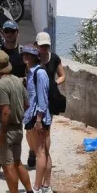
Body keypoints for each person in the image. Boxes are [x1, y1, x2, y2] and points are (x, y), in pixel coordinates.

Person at [0, 50, 38, 193]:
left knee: (8, 165)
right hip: (18, 128)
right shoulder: (18, 81)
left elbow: (5, 112)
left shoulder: (1, 85)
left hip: (7, 130)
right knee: (17, 163)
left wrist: (1, 134)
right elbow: (26, 103)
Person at [0, 21, 25, 176]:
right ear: (3, 32)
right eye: (6, 31)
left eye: (12, 31)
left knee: (14, 130)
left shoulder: (23, 53)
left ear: (17, 32)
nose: (9, 34)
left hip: (16, 99)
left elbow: (29, 74)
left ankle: (12, 162)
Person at [29, 31, 68, 168]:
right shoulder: (33, 58)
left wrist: (54, 84)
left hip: (48, 98)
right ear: (36, 45)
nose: (44, 49)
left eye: (46, 46)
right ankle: (33, 150)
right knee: (31, 128)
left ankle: (44, 155)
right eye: (42, 46)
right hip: (34, 98)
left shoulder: (54, 58)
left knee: (46, 128)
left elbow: (62, 75)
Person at [21, 44, 54, 193]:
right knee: (45, 152)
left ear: (35, 56)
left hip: (38, 117)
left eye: (29, 54)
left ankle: (37, 188)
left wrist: (39, 119)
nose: (25, 57)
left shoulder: (39, 73)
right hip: (38, 116)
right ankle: (46, 186)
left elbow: (42, 98)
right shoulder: (33, 72)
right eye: (24, 54)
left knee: (40, 152)